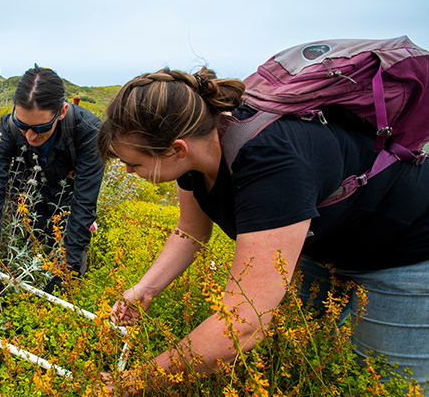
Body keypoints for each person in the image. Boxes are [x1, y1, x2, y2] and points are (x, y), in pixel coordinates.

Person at [97, 67, 429, 393]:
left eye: (134, 163)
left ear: (177, 149)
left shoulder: (268, 163)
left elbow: (241, 326)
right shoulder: (197, 152)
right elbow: (190, 232)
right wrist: (145, 290)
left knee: (385, 382)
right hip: (324, 242)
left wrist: (135, 382)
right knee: (299, 352)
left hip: (406, 248)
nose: (127, 171)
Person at [0, 65, 105, 314]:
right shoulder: (7, 129)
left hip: (67, 208)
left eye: (41, 128)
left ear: (62, 111)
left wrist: (67, 268)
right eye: (23, 125)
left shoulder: (88, 132)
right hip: (24, 204)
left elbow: (84, 206)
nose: (30, 136)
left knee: (65, 291)